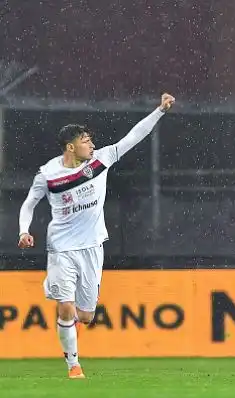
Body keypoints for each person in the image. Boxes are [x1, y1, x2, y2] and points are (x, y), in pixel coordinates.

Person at [17, 93, 176, 379]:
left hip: (91, 247)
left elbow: (133, 137)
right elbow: (29, 203)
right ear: (71, 146)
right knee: (65, 308)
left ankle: (70, 331)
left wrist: (159, 112)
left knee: (86, 316)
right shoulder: (48, 174)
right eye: (86, 141)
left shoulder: (101, 160)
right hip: (61, 249)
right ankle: (73, 365)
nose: (92, 145)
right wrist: (24, 230)